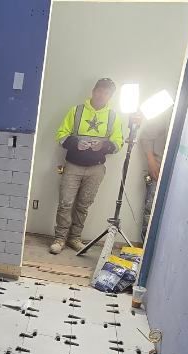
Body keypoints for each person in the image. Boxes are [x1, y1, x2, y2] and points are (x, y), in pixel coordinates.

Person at [50, 78, 125, 254]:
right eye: (99, 91)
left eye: (106, 93)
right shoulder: (76, 111)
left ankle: (74, 238)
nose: (101, 95)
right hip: (72, 165)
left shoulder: (113, 116)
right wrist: (75, 143)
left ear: (110, 96)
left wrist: (104, 146)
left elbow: (118, 143)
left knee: (84, 205)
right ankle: (60, 239)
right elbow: (61, 134)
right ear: (93, 91)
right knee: (65, 203)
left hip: (96, 169)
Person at [138, 116, 168, 242]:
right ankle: (145, 247)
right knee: (150, 213)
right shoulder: (167, 114)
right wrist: (151, 162)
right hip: (158, 172)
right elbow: (145, 137)